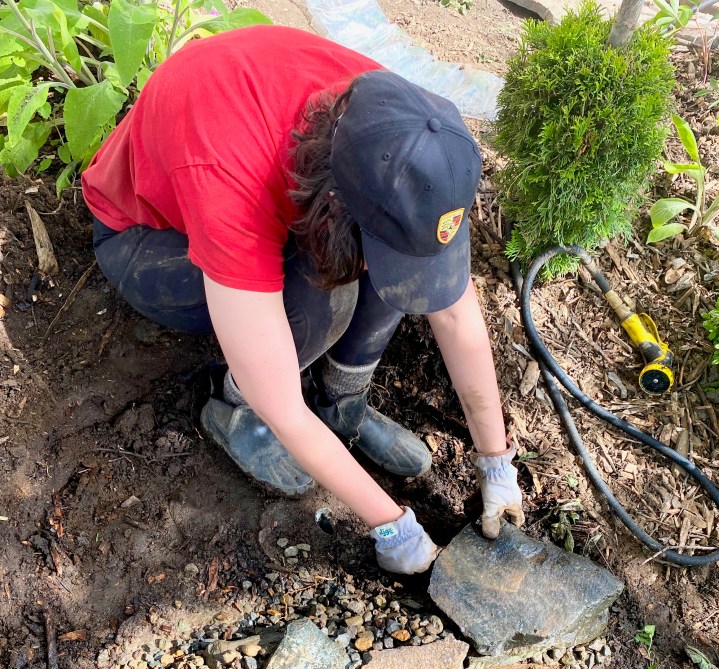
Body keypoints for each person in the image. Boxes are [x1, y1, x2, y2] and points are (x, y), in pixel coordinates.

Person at [82, 25, 524, 574]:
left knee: (404, 268)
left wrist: (496, 461)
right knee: (319, 303)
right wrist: (393, 526)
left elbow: (453, 310)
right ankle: (234, 410)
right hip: (148, 239)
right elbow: (283, 403)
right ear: (334, 203)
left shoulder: (408, 139)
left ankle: (342, 402)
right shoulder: (229, 177)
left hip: (280, 187)